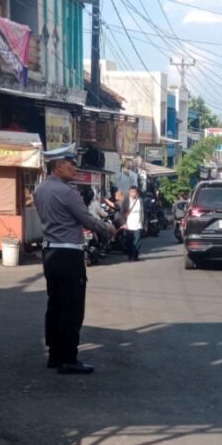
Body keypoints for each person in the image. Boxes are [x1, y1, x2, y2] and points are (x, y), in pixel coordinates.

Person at [34, 146, 115, 375]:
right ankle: (69, 358)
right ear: (58, 166)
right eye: (71, 164)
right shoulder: (67, 192)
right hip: (69, 255)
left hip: (50, 254)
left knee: (55, 305)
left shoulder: (40, 190)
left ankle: (54, 355)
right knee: (72, 308)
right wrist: (108, 228)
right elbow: (87, 220)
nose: (75, 168)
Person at [121, 186, 144, 261]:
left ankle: (135, 255)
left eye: (134, 192)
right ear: (129, 192)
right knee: (129, 241)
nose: (133, 193)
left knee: (137, 241)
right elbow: (122, 212)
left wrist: (144, 223)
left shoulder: (140, 200)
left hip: (138, 224)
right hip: (129, 224)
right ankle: (130, 255)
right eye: (131, 192)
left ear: (137, 192)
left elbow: (143, 212)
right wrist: (124, 223)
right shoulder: (126, 201)